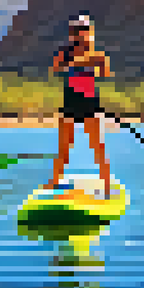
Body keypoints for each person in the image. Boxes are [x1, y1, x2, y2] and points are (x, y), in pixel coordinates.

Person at [46, 12, 114, 198]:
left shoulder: (97, 54)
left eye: (83, 29)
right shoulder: (64, 53)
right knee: (64, 147)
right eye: (76, 30)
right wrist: (76, 62)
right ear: (72, 33)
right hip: (69, 104)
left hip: (90, 105)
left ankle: (107, 187)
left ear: (89, 32)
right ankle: (55, 184)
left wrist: (97, 61)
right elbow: (55, 69)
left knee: (98, 146)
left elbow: (105, 74)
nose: (79, 33)